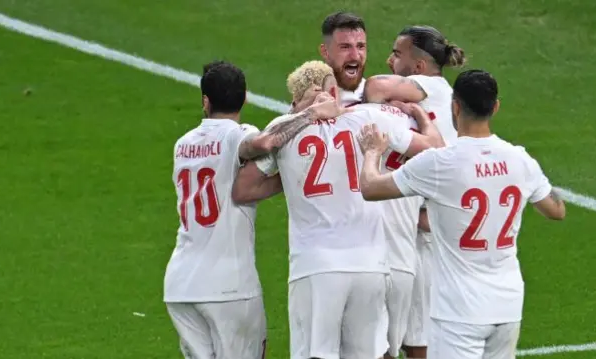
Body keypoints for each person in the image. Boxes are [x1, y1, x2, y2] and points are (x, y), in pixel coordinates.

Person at [232, 60, 444, 359]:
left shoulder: (285, 128)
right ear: (333, 89)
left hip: (316, 267)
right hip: (371, 265)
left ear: (297, 100)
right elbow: (434, 148)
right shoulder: (371, 118)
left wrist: (294, 175)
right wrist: (421, 116)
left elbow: (244, 188)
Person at [357, 69, 566, 359]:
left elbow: (370, 188)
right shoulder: (520, 159)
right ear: (495, 107)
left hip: (458, 310)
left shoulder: (440, 163)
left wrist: (372, 152)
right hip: (507, 305)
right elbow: (556, 210)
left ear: (455, 106)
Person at [163, 60, 347, 359]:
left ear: (205, 101)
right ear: (245, 97)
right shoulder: (237, 134)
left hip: (180, 286)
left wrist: (288, 174)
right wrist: (311, 113)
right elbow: (266, 141)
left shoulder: (182, 145)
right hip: (228, 287)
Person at [363, 25, 467, 359]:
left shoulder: (431, 87)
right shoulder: (438, 95)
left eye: (396, 53)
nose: (388, 60)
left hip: (428, 235)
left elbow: (374, 87)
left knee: (416, 340)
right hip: (425, 228)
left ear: (419, 67)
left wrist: (391, 98)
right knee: (405, 336)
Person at [319, 11, 367, 107]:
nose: (355, 56)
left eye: (360, 46)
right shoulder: (310, 101)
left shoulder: (379, 96)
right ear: (325, 52)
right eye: (345, 47)